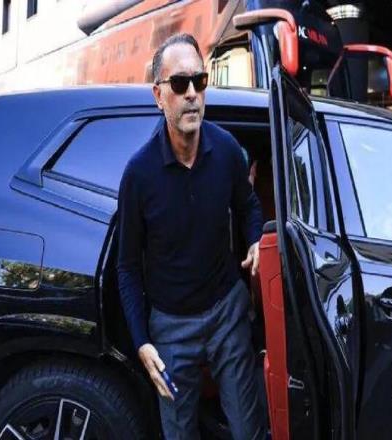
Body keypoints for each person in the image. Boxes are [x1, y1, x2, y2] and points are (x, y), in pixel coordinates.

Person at [117, 33, 266, 439]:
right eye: (179, 84)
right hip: (170, 327)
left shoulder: (227, 150)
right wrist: (142, 342)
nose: (191, 94)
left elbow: (249, 205)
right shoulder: (140, 174)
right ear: (158, 95)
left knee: (249, 430)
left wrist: (256, 240)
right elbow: (127, 267)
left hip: (226, 312)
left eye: (199, 81)